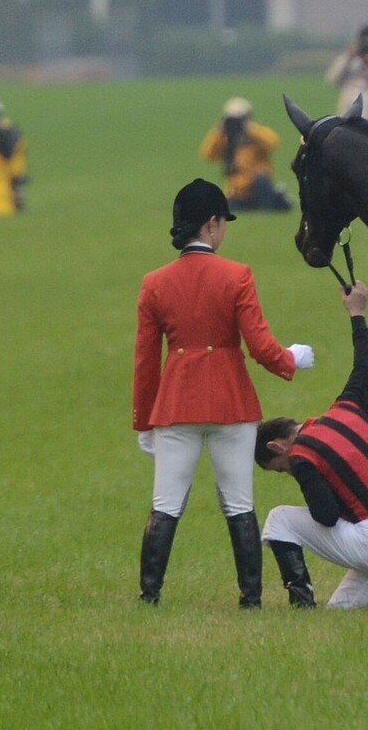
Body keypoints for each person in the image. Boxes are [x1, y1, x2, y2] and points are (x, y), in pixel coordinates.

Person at [133, 178, 315, 608]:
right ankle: (250, 598)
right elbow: (260, 347)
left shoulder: (154, 283)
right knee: (238, 503)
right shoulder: (237, 275)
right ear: (212, 225)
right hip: (231, 402)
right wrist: (292, 358)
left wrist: (144, 421)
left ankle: (149, 595)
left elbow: (145, 363)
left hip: (176, 405)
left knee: (166, 504)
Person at [254, 282, 368, 610]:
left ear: (278, 446)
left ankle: (300, 604)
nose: (287, 470)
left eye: (279, 469)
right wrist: (356, 313)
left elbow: (325, 517)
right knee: (340, 612)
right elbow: (365, 365)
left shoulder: (300, 455)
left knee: (278, 519)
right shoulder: (348, 406)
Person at [199, 97, 292, 211]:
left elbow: (273, 142)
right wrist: (220, 131)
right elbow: (208, 154)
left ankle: (269, 207)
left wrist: (249, 128)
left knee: (261, 179)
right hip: (238, 190)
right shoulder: (225, 139)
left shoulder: (257, 134)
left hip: (260, 187)